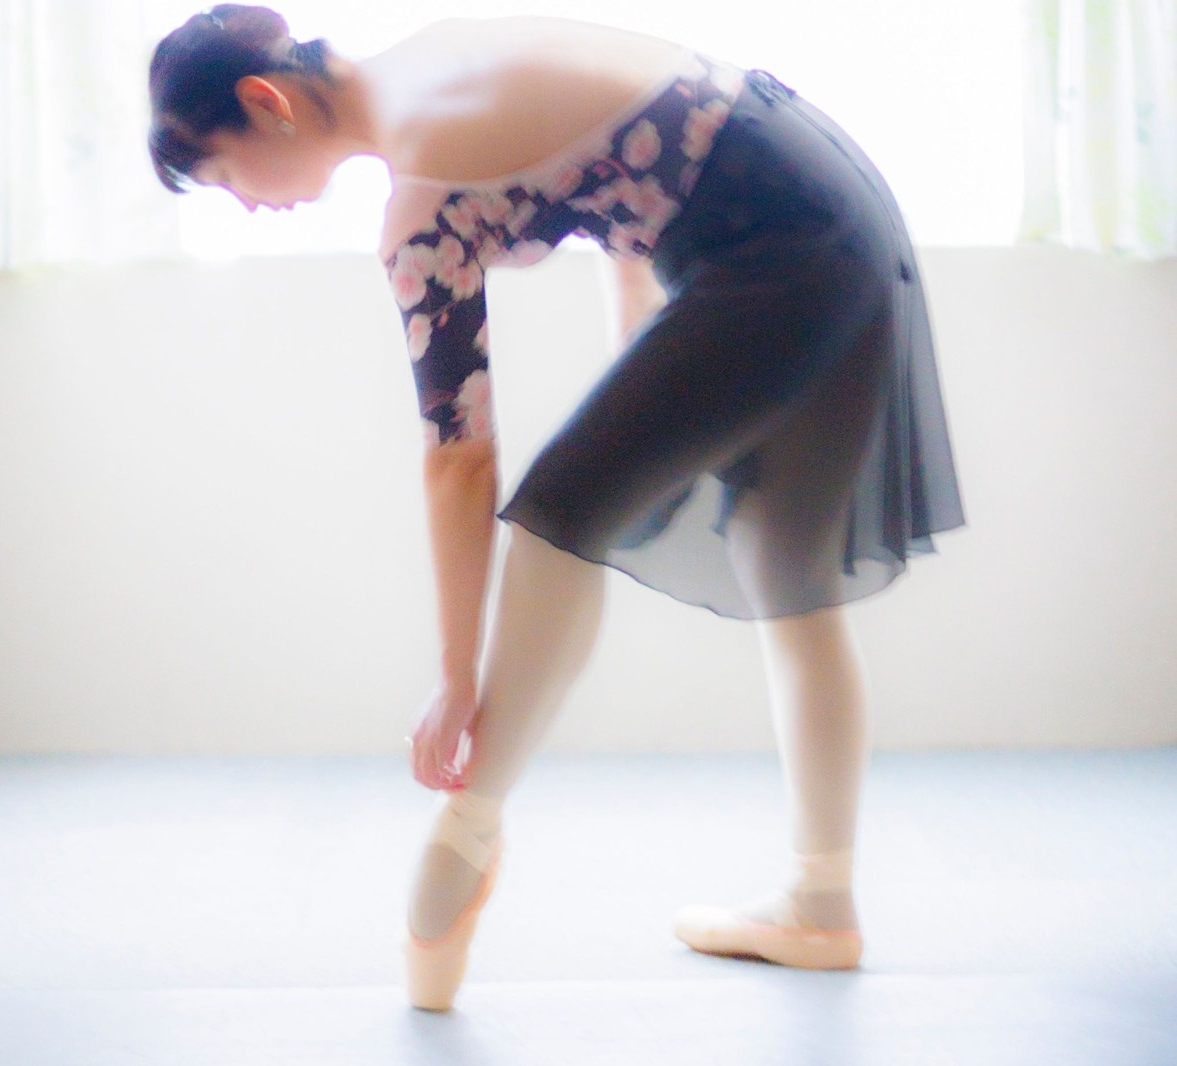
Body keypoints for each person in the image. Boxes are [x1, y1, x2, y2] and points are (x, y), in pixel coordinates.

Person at [147, 6, 965, 1010]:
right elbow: (621, 150)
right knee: (781, 560)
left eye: (225, 174)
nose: (243, 203)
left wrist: (457, 680)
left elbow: (460, 459)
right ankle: (821, 903)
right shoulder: (437, 54)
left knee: (558, 515)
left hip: (775, 251)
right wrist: (637, 346)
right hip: (827, 191)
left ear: (264, 104)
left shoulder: (421, 209)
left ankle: (465, 834)